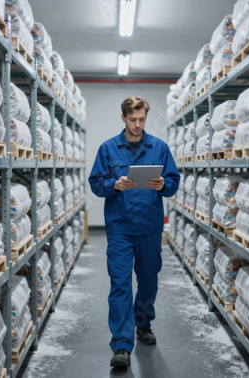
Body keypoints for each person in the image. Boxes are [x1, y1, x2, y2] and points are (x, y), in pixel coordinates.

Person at [89, 96, 180, 368]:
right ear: (123, 118)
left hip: (149, 227)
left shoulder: (159, 148)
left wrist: (163, 183)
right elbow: (96, 183)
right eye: (132, 120)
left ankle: (143, 323)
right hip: (119, 228)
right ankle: (121, 344)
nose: (137, 125)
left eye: (141, 119)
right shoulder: (108, 148)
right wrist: (114, 185)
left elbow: (173, 183)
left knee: (149, 281)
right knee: (120, 283)